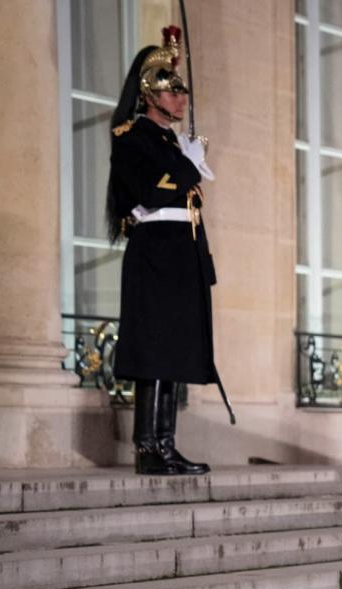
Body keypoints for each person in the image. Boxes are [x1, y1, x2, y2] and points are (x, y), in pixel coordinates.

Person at [106, 26, 224, 476]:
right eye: (172, 91)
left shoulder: (171, 143)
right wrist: (187, 165)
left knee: (175, 350)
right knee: (155, 350)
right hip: (154, 251)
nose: (181, 99)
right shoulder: (131, 135)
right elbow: (149, 194)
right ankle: (147, 447)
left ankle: (168, 443)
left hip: (181, 254)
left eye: (182, 92)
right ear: (150, 93)